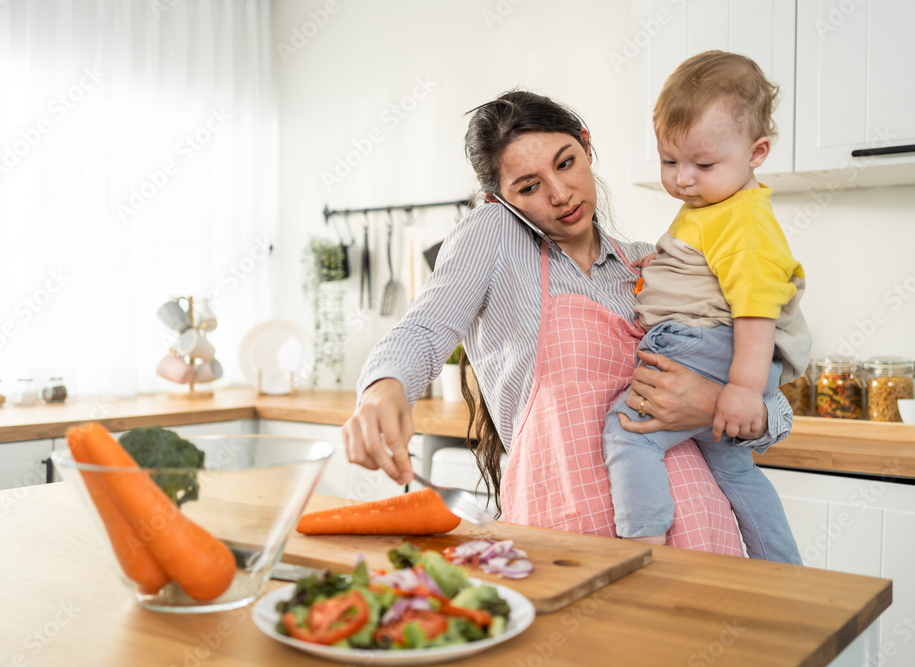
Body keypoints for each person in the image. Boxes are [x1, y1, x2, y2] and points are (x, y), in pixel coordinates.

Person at [342, 89, 795, 554]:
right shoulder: (494, 235)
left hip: (702, 533)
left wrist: (718, 405)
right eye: (529, 186)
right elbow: (423, 328)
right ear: (498, 198)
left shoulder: (651, 265)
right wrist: (383, 387)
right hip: (569, 539)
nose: (560, 194)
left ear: (586, 146)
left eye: (565, 163)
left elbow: (774, 408)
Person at [602, 51, 810, 564]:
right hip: (712, 347)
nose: (683, 179)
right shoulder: (715, 208)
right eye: (669, 161)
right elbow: (706, 272)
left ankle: (642, 550)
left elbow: (756, 314)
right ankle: (783, 572)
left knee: (628, 434)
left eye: (703, 163)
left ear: (757, 152)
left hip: (709, 347)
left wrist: (741, 391)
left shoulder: (743, 222)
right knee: (737, 471)